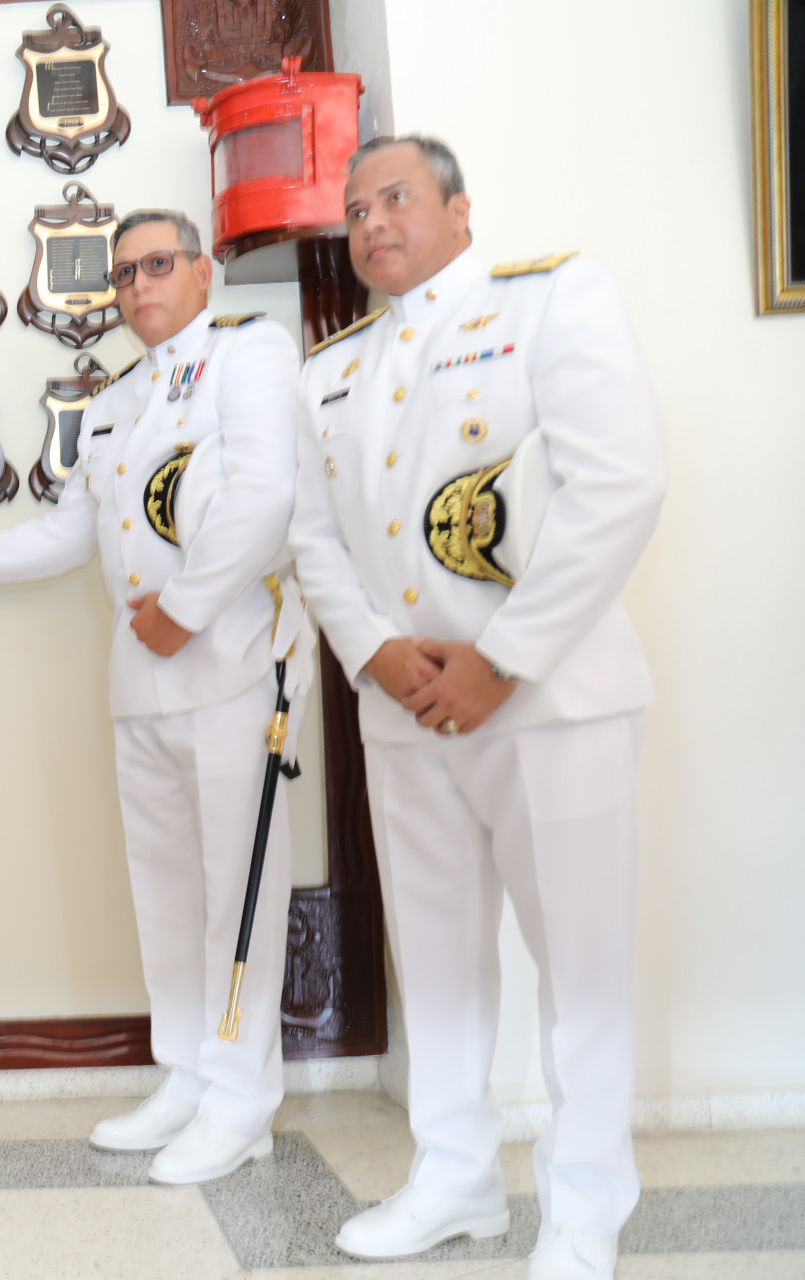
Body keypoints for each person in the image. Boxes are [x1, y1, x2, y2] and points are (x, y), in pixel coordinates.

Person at [288, 135, 665, 1280]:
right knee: (440, 961)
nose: (371, 223)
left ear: (460, 209)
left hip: (550, 700)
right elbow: (313, 536)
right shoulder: (330, 371)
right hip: (406, 712)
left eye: (394, 197)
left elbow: (619, 484)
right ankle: (454, 1176)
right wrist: (377, 652)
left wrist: (501, 659)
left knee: (580, 962)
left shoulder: (549, 302)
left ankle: (585, 1202)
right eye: (355, 210)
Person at [0, 210, 304, 1185]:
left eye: (157, 264)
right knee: (165, 891)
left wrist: (186, 610)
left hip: (230, 666)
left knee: (238, 892)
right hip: (140, 681)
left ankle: (242, 1100)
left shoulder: (250, 355)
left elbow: (267, 495)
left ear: (201, 272)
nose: (138, 285)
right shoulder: (117, 400)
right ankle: (187, 1074)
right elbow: (73, 531)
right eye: (123, 273)